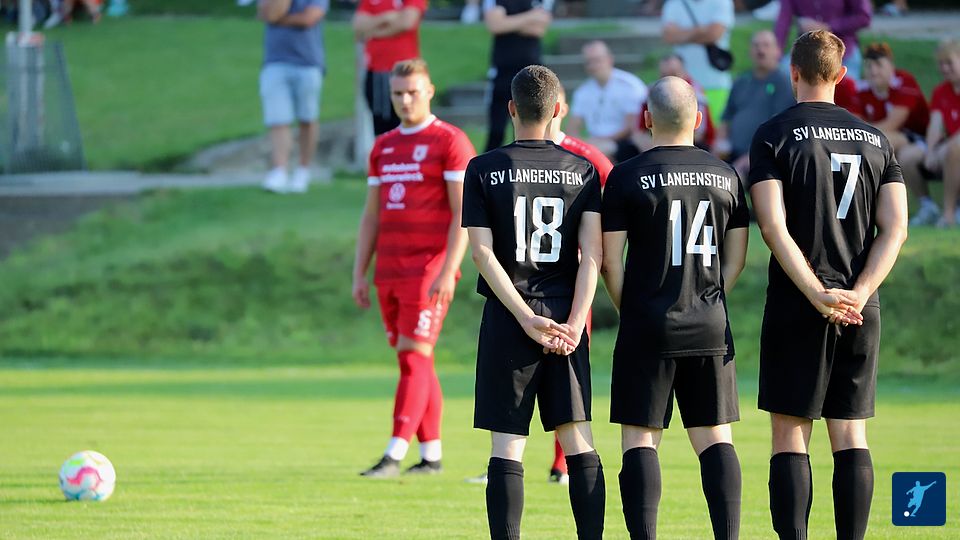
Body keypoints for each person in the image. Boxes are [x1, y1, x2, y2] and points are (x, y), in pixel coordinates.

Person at [748, 30, 908, 540]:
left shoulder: (773, 134)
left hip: (799, 302)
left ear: (793, 73)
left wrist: (816, 292)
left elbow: (772, 226)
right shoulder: (876, 139)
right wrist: (860, 292)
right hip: (860, 305)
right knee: (850, 432)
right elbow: (896, 228)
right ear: (841, 75)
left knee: (790, 434)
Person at [602, 76, 749, 540]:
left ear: (647, 119)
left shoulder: (626, 175)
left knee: (640, 438)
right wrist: (708, 297)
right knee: (715, 437)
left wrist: (632, 309)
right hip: (709, 323)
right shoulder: (726, 175)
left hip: (647, 323)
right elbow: (736, 258)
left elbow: (610, 261)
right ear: (699, 120)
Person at [463, 65, 605, 540]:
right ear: (558, 109)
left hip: (510, 318)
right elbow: (593, 256)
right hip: (565, 319)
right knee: (578, 440)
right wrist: (576, 322)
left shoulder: (483, 168)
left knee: (507, 447)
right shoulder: (582, 170)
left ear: (511, 109)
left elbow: (481, 253)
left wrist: (524, 317)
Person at [353, 58, 477, 478]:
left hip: (428, 269)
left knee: (413, 356)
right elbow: (371, 215)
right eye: (398, 94)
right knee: (417, 361)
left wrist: (449, 269)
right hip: (389, 269)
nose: (405, 100)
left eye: (412, 92)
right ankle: (431, 456)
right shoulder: (383, 146)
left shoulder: (450, 141)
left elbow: (464, 213)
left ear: (430, 91)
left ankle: (394, 453)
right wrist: (359, 271)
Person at [856, 43, 932, 225]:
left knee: (879, 146)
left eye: (879, 65)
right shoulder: (862, 88)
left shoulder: (904, 81)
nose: (873, 71)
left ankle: (925, 206)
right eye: (869, 65)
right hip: (886, 139)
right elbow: (855, 123)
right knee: (876, 146)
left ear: (891, 66)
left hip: (919, 138)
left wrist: (863, 137)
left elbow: (893, 123)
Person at [257, 0, 329, 194]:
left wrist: (278, 18)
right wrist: (277, 14)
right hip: (275, 61)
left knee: (307, 118)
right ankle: (279, 170)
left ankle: (303, 170)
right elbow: (265, 12)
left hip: (308, 62)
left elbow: (309, 18)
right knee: (278, 119)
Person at [714, 30, 795, 178]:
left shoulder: (783, 83)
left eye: (766, 45)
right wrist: (720, 143)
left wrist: (750, 157)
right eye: (756, 45)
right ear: (750, 51)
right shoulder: (741, 81)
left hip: (765, 156)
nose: (760, 50)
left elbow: (780, 129)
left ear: (777, 51)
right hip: (733, 152)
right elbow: (726, 117)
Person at [482, 0, 554, 152]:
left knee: (532, 125)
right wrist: (530, 17)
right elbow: (495, 25)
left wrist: (509, 22)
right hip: (503, 72)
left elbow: (538, 29)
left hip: (532, 74)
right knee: (497, 129)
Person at [353, 0, 426, 135]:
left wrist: (373, 31)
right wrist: (386, 18)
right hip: (377, 71)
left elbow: (406, 22)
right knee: (382, 128)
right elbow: (359, 26)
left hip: (406, 73)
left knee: (410, 124)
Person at [567, 40, 648, 163]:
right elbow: (572, 129)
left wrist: (597, 143)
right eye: (589, 62)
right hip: (594, 144)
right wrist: (583, 143)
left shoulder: (629, 86)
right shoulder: (583, 91)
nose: (593, 66)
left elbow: (631, 127)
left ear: (610, 59)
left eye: (597, 60)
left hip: (624, 144)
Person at [911, 39, 960, 227]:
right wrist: (931, 151)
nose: (945, 68)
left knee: (953, 149)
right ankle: (927, 207)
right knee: (908, 156)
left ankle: (949, 213)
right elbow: (935, 125)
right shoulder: (941, 91)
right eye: (941, 64)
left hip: (953, 147)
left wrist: (946, 147)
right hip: (949, 148)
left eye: (949, 63)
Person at [661, 0, 735, 122]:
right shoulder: (673, 3)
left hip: (715, 85)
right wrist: (699, 31)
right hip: (682, 86)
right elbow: (669, 36)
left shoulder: (722, 2)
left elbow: (713, 35)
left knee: (715, 130)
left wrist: (680, 34)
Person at [633, 54, 716, 152]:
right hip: (657, 144)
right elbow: (639, 131)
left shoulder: (695, 92)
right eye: (664, 75)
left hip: (690, 145)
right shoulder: (652, 91)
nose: (669, 79)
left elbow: (699, 134)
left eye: (674, 74)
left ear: (684, 72)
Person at [774, 0, 872, 81]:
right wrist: (776, 50)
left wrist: (828, 27)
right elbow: (784, 19)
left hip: (843, 53)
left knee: (844, 90)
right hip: (806, 51)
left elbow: (863, 17)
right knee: (783, 79)